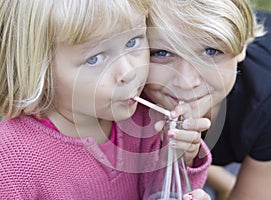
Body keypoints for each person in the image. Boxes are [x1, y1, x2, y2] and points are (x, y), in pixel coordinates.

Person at [0, 0, 212, 199]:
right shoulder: (12, 161)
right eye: (95, 58)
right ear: (39, 72)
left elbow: (156, 191)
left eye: (132, 42)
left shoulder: (146, 119)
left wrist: (179, 159)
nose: (128, 72)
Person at [145, 0, 271, 199]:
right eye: (162, 53)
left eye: (211, 51)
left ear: (243, 46)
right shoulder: (130, 92)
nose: (186, 82)